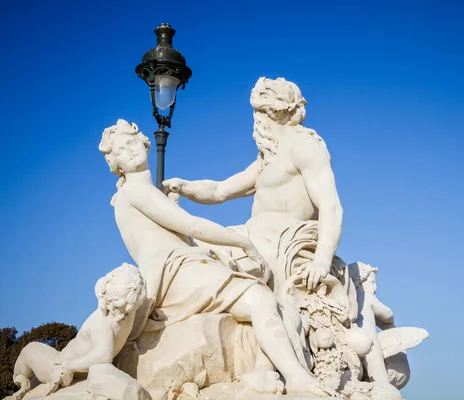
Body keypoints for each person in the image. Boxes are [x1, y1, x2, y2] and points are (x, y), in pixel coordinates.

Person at [98, 119, 326, 396]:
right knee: (259, 298)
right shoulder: (135, 191)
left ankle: (264, 372)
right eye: (121, 149)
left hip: (180, 269)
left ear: (145, 142)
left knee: (267, 300)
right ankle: (295, 376)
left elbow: (190, 228)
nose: (131, 149)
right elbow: (192, 225)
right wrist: (244, 243)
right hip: (177, 271)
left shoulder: (141, 194)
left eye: (133, 141)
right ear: (116, 165)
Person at [163, 77, 345, 295]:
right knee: (187, 253)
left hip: (281, 243)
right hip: (253, 237)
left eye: (257, 113)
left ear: (271, 113)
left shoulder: (304, 146)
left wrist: (322, 260)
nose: (255, 122)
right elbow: (219, 191)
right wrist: (182, 186)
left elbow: (330, 206)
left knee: (202, 256)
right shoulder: (267, 159)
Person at [7, 263, 146, 400]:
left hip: (64, 365)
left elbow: (104, 355)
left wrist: (70, 366)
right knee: (30, 349)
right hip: (61, 363)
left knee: (31, 349)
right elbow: (104, 355)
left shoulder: (121, 309)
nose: (122, 315)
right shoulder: (110, 317)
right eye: (119, 309)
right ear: (108, 299)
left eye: (128, 310)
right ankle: (20, 378)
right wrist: (70, 365)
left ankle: (22, 378)